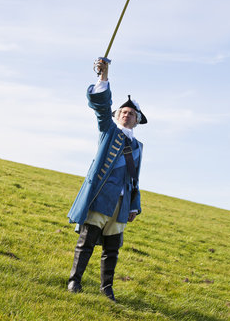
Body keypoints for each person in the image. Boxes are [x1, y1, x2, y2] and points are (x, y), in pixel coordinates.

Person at [67, 58, 147, 302]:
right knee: (86, 243)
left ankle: (106, 289)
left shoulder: (138, 146)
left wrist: (135, 205)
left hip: (121, 204)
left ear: (137, 120)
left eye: (131, 113)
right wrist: (104, 76)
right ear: (118, 115)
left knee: (112, 250)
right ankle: (74, 281)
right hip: (101, 197)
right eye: (123, 112)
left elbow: (134, 178)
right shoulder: (108, 131)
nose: (126, 114)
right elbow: (102, 106)